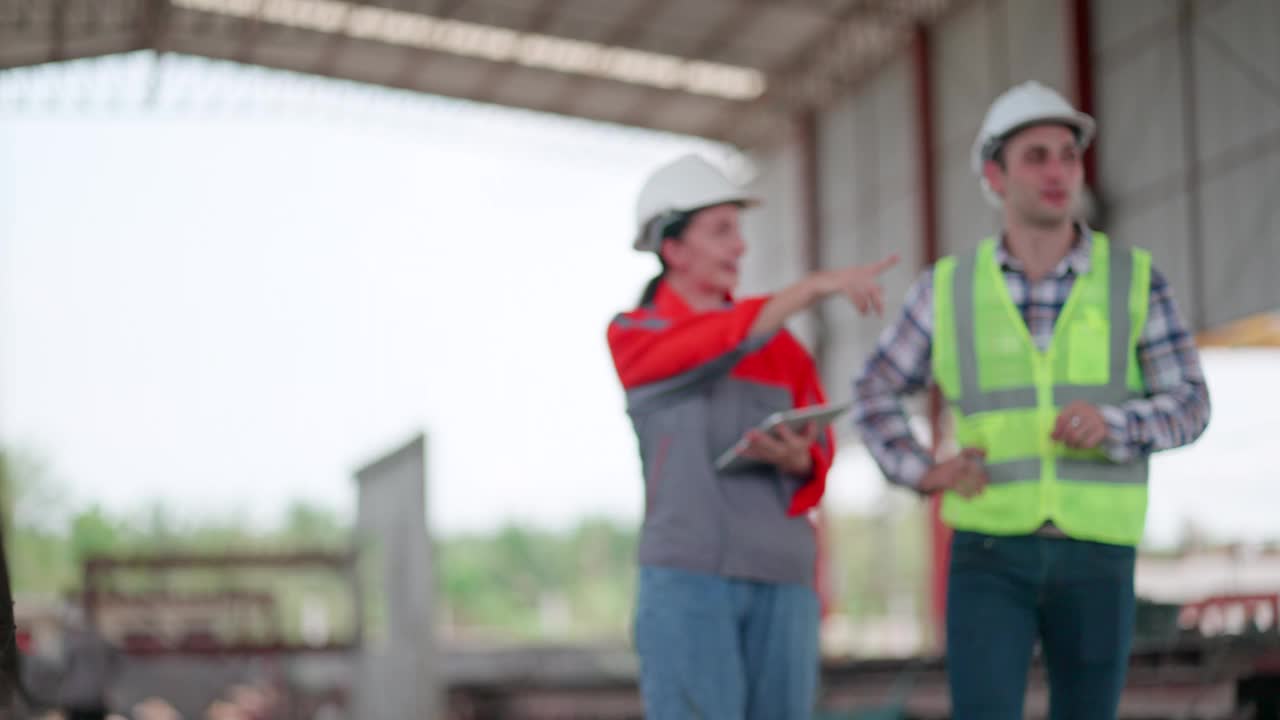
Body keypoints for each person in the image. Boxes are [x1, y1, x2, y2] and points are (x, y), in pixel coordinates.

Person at [851, 81, 1212, 719]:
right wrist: (922, 471)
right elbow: (873, 390)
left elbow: (1190, 403)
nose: (1058, 171)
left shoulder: (1135, 279)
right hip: (990, 553)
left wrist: (1117, 424)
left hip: (1099, 550)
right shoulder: (948, 288)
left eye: (1068, 156)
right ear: (995, 175)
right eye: (1036, 156)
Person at [607, 153, 898, 719]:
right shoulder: (634, 334)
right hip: (689, 581)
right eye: (721, 231)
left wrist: (800, 459)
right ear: (673, 249)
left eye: (738, 232)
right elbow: (712, 343)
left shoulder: (781, 348)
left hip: (783, 578)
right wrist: (811, 288)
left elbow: (821, 447)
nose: (739, 247)